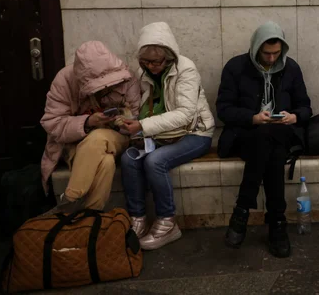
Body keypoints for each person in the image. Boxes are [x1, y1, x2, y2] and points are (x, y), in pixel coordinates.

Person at [217, 21, 312, 258]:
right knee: (269, 145)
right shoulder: (236, 67)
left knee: (270, 139)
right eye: (266, 53)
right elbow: (224, 109)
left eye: (276, 54)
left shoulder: (290, 68)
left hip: (280, 132)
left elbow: (306, 107)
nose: (271, 59)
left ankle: (241, 211)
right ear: (256, 48)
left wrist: (293, 116)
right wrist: (253, 118)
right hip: (246, 134)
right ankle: (277, 224)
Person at [119, 22, 215, 250]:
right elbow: (144, 105)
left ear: (169, 57)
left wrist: (142, 125)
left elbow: (185, 114)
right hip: (162, 133)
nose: (151, 66)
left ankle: (167, 222)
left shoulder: (186, 69)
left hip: (195, 132)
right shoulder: (144, 71)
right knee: (128, 159)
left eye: (156, 62)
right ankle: (138, 219)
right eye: (146, 62)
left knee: (155, 161)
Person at [40, 41, 140, 212]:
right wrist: (88, 122)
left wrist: (121, 121)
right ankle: (91, 217)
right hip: (75, 143)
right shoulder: (65, 80)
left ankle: (70, 199)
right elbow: (52, 123)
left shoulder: (127, 78)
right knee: (106, 162)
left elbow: (137, 118)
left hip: (117, 138)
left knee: (98, 138)